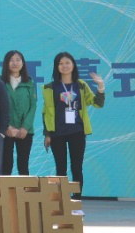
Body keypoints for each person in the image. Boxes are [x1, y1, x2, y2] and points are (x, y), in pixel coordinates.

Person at [42, 53, 106, 195]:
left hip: (77, 132)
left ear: (73, 65)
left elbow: (97, 103)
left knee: (76, 168)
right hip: (57, 133)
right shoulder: (50, 87)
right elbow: (46, 112)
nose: (64, 66)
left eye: (67, 63)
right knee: (60, 169)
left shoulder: (81, 85)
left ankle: (76, 202)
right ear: (56, 67)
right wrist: (47, 134)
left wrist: (101, 86)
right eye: (61, 63)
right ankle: (62, 203)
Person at [0, 50, 37, 176]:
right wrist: (6, 126)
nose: (15, 63)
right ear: (6, 63)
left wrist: (25, 127)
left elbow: (33, 106)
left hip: (25, 131)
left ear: (23, 63)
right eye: (11, 60)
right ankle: (5, 195)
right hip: (5, 131)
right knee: (6, 165)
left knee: (23, 165)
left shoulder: (29, 83)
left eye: (18, 60)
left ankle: (24, 194)